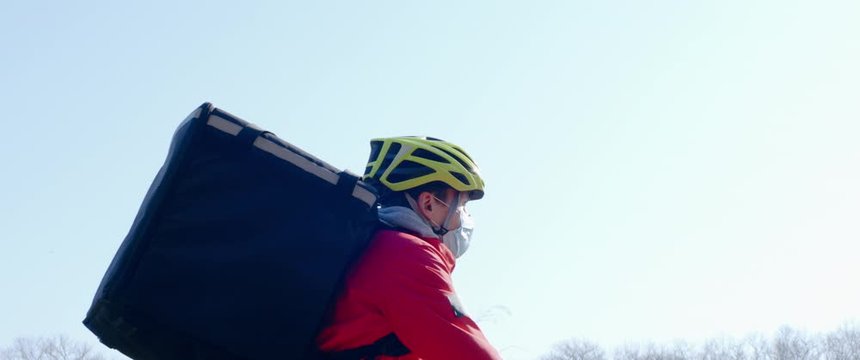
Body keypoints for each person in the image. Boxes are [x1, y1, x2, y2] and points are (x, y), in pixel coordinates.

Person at [317, 137, 502, 360]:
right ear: (429, 203)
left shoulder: (379, 244)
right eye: (461, 205)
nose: (465, 218)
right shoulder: (408, 256)